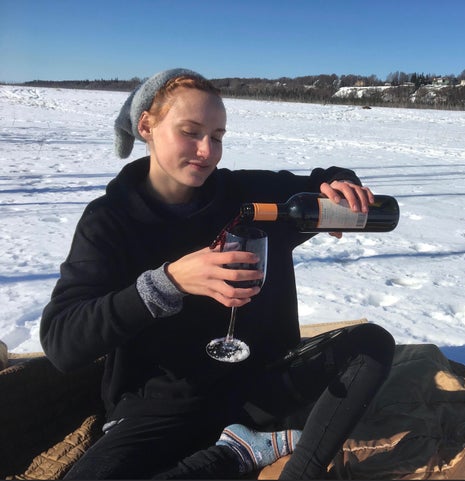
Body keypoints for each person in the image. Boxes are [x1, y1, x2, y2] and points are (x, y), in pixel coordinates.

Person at [40, 68, 395, 479]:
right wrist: (168, 283)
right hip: (163, 406)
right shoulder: (110, 221)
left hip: (260, 385)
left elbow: (323, 180)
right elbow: (62, 342)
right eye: (190, 132)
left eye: (218, 136)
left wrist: (343, 185)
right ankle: (235, 455)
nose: (207, 151)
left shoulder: (245, 196)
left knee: (371, 343)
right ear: (147, 126)